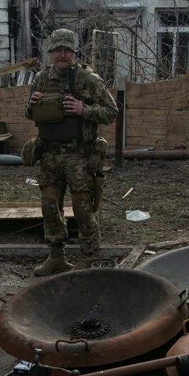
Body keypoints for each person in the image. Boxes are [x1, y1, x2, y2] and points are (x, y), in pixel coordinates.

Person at [23, 28, 119, 276]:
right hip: (49, 155)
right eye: (58, 50)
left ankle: (87, 257)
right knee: (49, 206)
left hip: (79, 155)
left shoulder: (88, 80)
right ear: (51, 52)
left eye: (67, 50)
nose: (62, 54)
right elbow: (30, 114)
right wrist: (32, 106)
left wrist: (82, 109)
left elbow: (112, 112)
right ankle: (56, 256)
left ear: (74, 52)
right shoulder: (41, 79)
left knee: (82, 208)